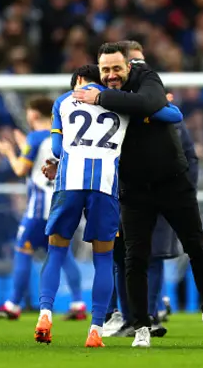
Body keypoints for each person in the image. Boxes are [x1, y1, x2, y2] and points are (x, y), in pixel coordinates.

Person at [72, 43, 203, 348]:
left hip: (172, 181)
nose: (111, 75)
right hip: (133, 187)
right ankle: (140, 325)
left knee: (196, 246)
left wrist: (103, 97)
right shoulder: (95, 95)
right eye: (106, 70)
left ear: (129, 66)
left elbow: (151, 102)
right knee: (134, 257)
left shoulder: (144, 77)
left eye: (117, 68)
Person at [34, 64, 183, 348]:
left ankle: (44, 314)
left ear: (78, 81)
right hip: (104, 186)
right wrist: (158, 102)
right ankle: (96, 329)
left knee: (56, 251)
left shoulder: (64, 101)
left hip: (69, 185)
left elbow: (55, 150)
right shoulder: (122, 102)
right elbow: (174, 115)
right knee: (103, 259)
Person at [104, 41, 195, 338]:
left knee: (150, 255)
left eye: (143, 62)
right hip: (119, 191)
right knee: (121, 255)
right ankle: (125, 316)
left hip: (158, 190)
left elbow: (179, 127)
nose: (141, 68)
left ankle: (148, 315)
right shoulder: (115, 103)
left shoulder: (155, 102)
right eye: (135, 62)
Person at [0, 96, 85, 321]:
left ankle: (12, 305)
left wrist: (10, 152)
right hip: (61, 204)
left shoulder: (35, 137)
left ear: (34, 114)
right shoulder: (61, 137)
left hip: (39, 209)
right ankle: (78, 303)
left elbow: (21, 169)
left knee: (22, 250)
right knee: (63, 254)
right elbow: (41, 159)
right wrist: (23, 146)